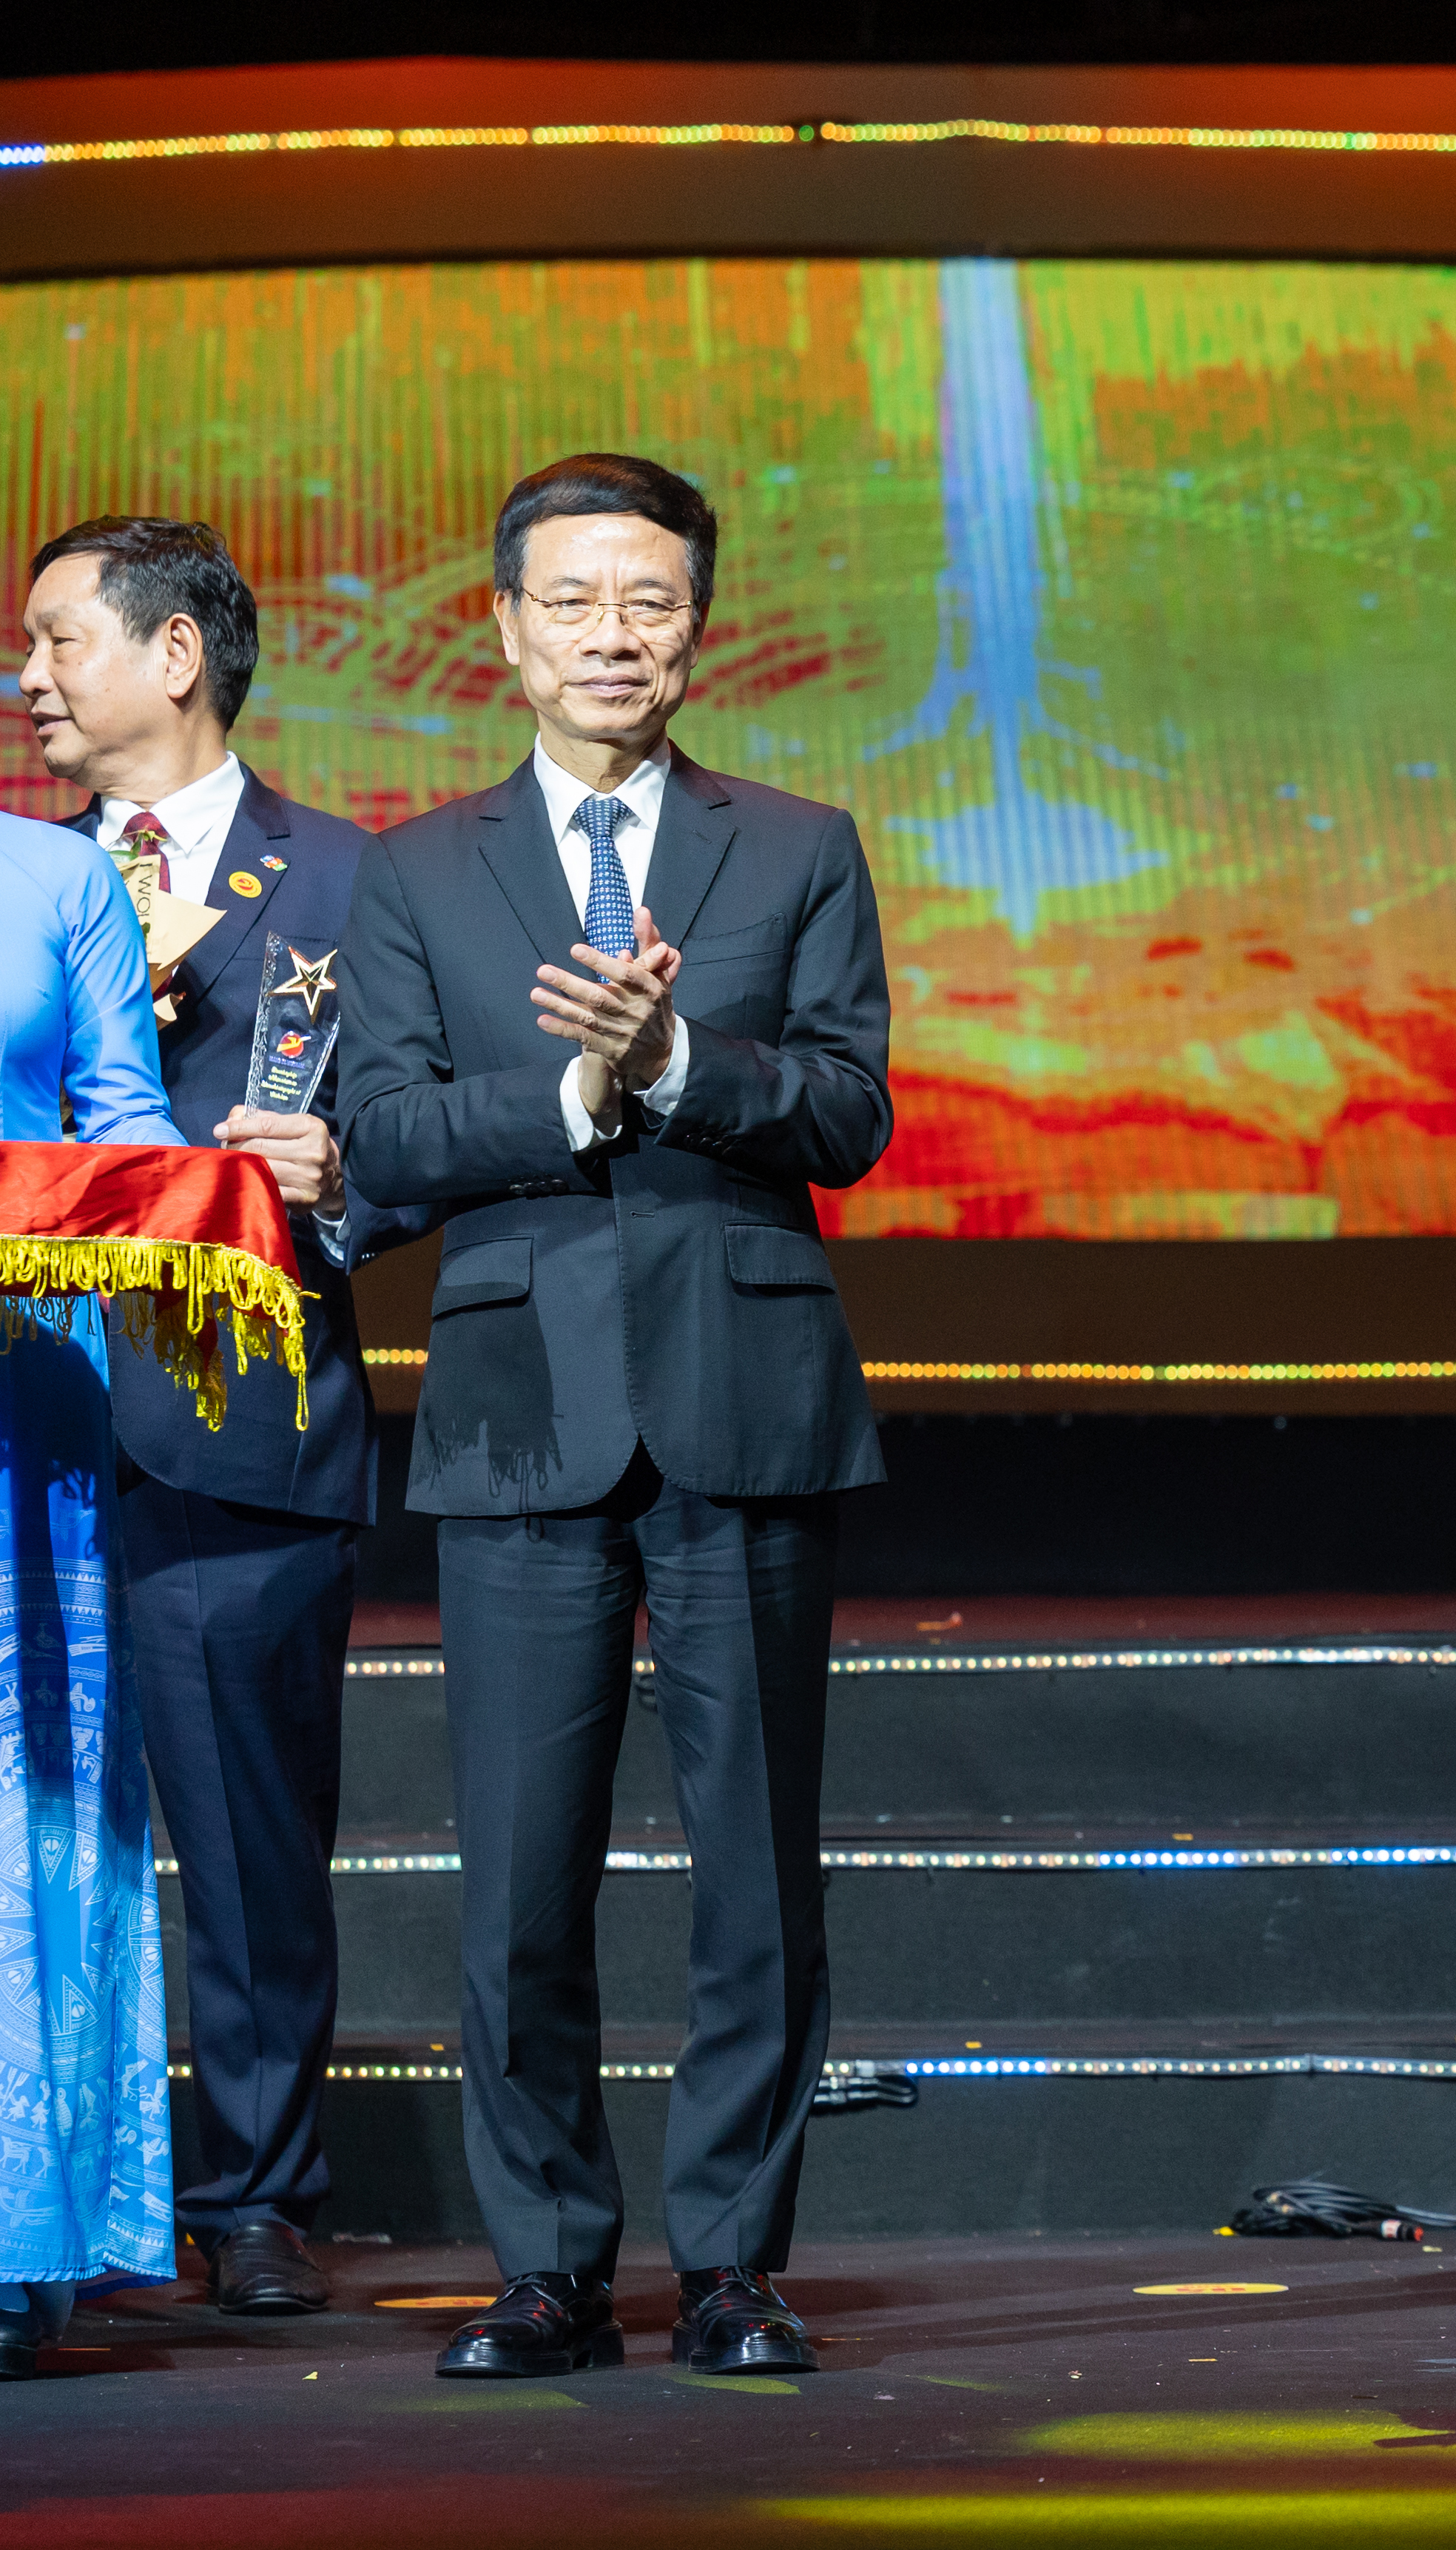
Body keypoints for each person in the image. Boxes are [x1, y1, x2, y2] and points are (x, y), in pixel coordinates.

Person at [340, 453, 895, 2381]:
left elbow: (846, 1111)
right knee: (518, 1866)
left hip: (745, 1387)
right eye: (572, 599)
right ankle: (550, 2262)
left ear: (697, 624)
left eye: (646, 600)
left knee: (755, 1860)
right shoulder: (412, 868)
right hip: (517, 1403)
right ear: (504, 627)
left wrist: (682, 1059)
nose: (610, 634)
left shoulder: (799, 843)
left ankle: (733, 2258)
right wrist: (573, 1098)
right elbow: (391, 1133)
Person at [17, 516, 429, 2318]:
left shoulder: (350, 884)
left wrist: (340, 1185)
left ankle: (258, 2193)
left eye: (57, 643)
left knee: (249, 1833)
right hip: (31, 1419)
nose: (28, 681)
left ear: (172, 655)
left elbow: (421, 1134)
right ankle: (55, 2193)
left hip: (231, 1416)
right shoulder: (31, 881)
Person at [0, 798, 189, 2375]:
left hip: (18, 1394)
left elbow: (123, 1127)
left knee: (21, 1802)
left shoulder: (57, 876)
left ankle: (14, 2226)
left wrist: (221, 1194)